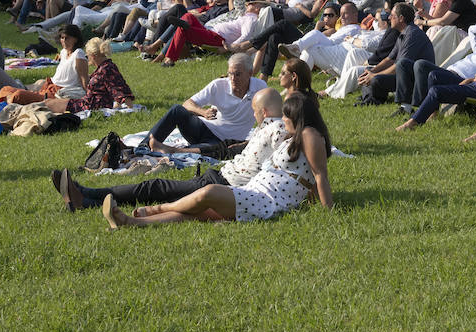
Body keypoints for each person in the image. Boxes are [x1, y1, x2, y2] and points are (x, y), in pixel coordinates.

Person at [103, 91, 332, 227]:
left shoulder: (309, 134)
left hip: (267, 199)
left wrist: (328, 211)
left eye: (286, 115)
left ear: (298, 116)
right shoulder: (297, 137)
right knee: (193, 214)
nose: (282, 119)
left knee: (208, 193)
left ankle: (155, 209)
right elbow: (309, 177)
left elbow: (319, 175)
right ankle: (130, 222)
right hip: (257, 191)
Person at [52, 89, 288, 212]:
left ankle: (87, 195)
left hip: (223, 184)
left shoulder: (277, 131)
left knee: (155, 187)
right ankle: (87, 198)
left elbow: (280, 169)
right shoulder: (267, 128)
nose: (253, 114)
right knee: (158, 190)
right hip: (219, 175)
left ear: (264, 112)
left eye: (255, 110)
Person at [143, 53, 266, 153]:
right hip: (202, 127)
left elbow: (269, 113)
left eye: (238, 74)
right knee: (177, 110)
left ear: (250, 73)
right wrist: (202, 112)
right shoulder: (218, 85)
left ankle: (170, 150)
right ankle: (143, 147)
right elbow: (188, 103)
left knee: (213, 152)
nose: (233, 78)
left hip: (223, 141)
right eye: (230, 73)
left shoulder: (260, 88)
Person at [357, 3, 434, 109]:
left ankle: (373, 99)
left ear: (401, 18)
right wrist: (372, 71)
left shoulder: (412, 34)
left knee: (376, 79)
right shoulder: (403, 33)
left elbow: (400, 65)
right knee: (368, 70)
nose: (389, 18)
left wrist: (374, 75)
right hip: (404, 75)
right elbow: (389, 59)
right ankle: (368, 98)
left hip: (413, 79)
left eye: (392, 15)